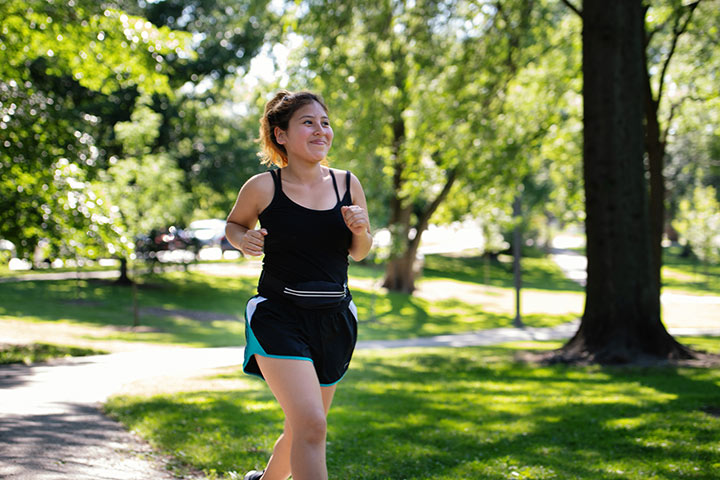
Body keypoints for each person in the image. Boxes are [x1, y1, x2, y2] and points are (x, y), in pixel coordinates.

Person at [225, 90, 373, 480]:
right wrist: (244, 241)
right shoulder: (263, 187)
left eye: (324, 122)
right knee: (311, 426)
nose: (320, 130)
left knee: (301, 427)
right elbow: (234, 225)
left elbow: (360, 252)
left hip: (335, 319)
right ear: (281, 135)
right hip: (279, 317)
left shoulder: (347, 183)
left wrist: (361, 230)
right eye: (308, 122)